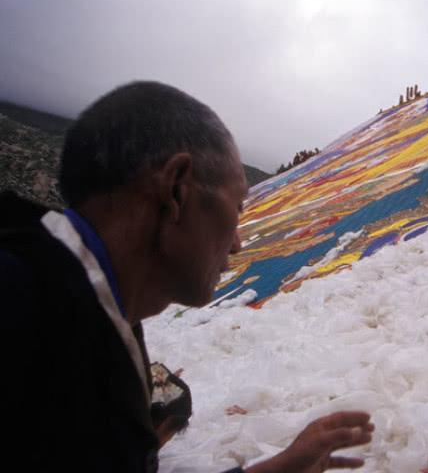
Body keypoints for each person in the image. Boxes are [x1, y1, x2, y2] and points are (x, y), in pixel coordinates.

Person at [0, 81, 373, 472]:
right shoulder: (20, 310)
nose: (238, 244)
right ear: (177, 190)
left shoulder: (86, 312)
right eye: (239, 207)